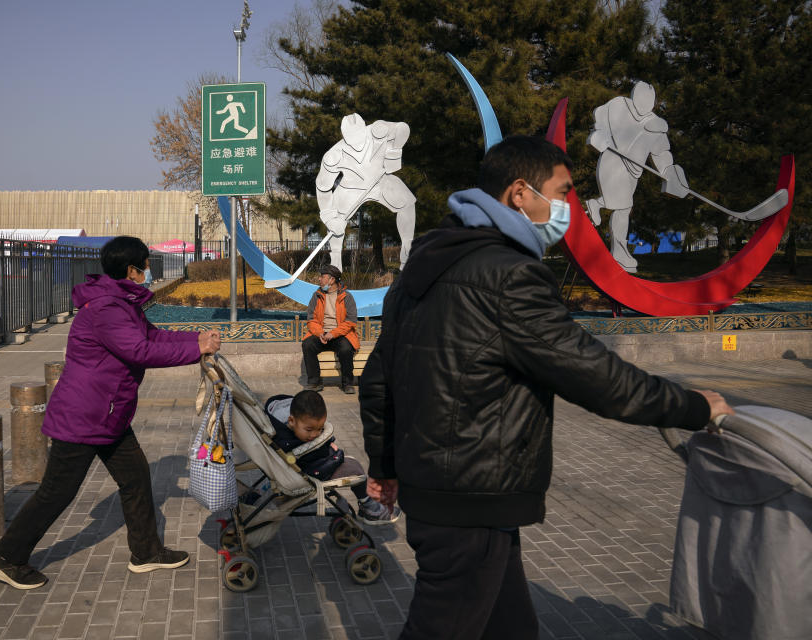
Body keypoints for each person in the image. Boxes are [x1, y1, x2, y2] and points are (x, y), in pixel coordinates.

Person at [358, 136, 733, 639]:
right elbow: (593, 374)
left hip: (445, 495)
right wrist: (690, 406)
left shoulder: (421, 269)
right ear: (519, 193)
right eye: (562, 193)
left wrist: (384, 468)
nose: (568, 209)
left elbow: (378, 379)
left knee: (510, 628)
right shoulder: (509, 275)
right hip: (473, 498)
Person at [0, 236, 221, 590]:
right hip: (85, 416)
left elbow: (153, 338)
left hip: (109, 414)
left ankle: (146, 552)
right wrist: (195, 348)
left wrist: (195, 341)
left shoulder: (123, 303)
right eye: (146, 264)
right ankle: (6, 557)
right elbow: (139, 351)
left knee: (136, 477)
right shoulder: (108, 309)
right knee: (56, 492)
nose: (150, 271)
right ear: (131, 270)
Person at [584, 81, 689, 272]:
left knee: (623, 207)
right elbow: (600, 119)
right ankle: (619, 252)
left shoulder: (656, 125)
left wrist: (668, 172)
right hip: (613, 159)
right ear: (634, 97)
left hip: (634, 171)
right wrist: (599, 135)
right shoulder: (618, 106)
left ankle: (597, 205)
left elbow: (660, 153)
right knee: (623, 208)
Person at [265, 390, 399, 525]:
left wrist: (326, 443)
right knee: (356, 471)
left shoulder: (281, 421)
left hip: (300, 461)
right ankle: (369, 509)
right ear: (291, 420)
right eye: (309, 430)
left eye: (320, 429)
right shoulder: (288, 441)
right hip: (307, 468)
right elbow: (314, 454)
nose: (315, 435)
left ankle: (367, 504)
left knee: (351, 461)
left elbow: (313, 441)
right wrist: (334, 453)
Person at [316, 113, 416, 271]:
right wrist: (329, 218)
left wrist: (394, 152)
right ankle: (335, 263)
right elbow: (322, 188)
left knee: (407, 202)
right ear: (344, 136)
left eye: (359, 137)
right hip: (350, 189)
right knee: (335, 219)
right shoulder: (334, 155)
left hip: (380, 181)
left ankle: (407, 255)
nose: (356, 143)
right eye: (351, 139)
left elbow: (403, 128)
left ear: (364, 129)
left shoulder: (378, 130)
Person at [301, 264, 360, 394]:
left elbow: (350, 321)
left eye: (322, 277)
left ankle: (347, 383)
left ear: (332, 280)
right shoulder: (316, 296)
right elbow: (311, 320)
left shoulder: (347, 297)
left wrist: (333, 334)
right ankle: (315, 382)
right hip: (321, 334)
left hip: (340, 334)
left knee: (345, 348)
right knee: (307, 344)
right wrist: (321, 333)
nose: (319, 279)